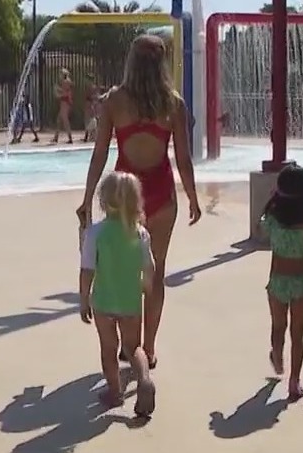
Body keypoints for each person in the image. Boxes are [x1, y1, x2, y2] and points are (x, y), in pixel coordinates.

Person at [76, 34, 202, 369]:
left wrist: (88, 198)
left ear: (131, 61)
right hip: (161, 196)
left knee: (121, 268)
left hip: (123, 198)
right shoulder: (173, 103)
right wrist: (191, 197)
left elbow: (100, 152)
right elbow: (184, 159)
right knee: (154, 272)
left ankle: (127, 345)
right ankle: (148, 345)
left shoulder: (115, 101)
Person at [79, 171, 158, 415]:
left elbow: (87, 270)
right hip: (130, 300)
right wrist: (146, 286)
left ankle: (115, 393)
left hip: (103, 301)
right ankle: (144, 379)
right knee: (134, 347)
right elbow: (150, 267)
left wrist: (84, 300)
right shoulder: (140, 233)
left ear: (103, 201)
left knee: (108, 348)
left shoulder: (95, 233)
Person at [259, 163, 303, 400]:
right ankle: (294, 381)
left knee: (278, 327)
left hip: (277, 280)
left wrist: (272, 202)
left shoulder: (273, 218)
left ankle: (277, 356)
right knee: (299, 332)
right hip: (302, 280)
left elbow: (263, 229)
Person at [52, 68, 74, 144]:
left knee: (65, 120)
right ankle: (56, 137)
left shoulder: (66, 82)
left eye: (60, 74)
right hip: (65, 102)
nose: (59, 76)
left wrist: (57, 91)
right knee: (59, 120)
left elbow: (65, 94)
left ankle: (70, 138)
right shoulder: (67, 81)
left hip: (65, 102)